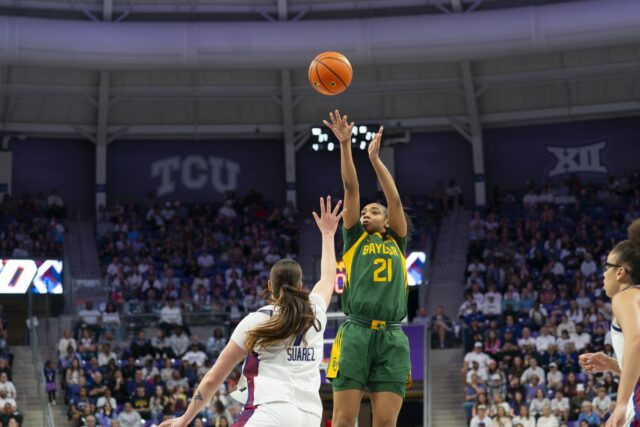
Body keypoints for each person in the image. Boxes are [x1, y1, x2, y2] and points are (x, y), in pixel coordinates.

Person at [158, 196, 342, 427]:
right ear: (300, 286)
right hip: (310, 416)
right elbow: (327, 278)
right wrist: (328, 234)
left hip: (270, 412)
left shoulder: (257, 320)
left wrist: (185, 419)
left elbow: (214, 377)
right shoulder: (315, 311)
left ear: (269, 286)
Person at [322, 110, 412, 427]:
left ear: (386, 221)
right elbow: (350, 189)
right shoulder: (354, 239)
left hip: (392, 336)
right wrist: (345, 145)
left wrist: (375, 159)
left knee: (385, 423)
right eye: (363, 213)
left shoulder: (397, 241)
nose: (365, 215)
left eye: (373, 212)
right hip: (356, 331)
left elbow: (396, 200)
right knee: (344, 419)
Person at [579, 219, 640, 427]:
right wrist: (613, 365)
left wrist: (621, 404)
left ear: (621, 272)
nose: (604, 274)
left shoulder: (625, 297)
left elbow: (637, 341)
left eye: (607, 267)